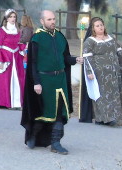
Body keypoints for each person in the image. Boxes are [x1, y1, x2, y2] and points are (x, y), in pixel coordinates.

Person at [21, 10, 83, 153]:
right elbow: (33, 63)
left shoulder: (60, 37)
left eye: (54, 19)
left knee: (60, 112)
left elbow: (65, 58)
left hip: (60, 80)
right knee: (43, 112)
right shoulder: (36, 39)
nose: (53, 21)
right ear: (42, 21)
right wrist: (36, 82)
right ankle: (33, 135)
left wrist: (75, 60)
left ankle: (56, 143)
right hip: (44, 80)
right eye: (49, 19)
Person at [80, 17, 122, 126]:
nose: (100, 27)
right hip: (99, 73)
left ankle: (113, 116)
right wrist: (89, 71)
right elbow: (87, 58)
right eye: (97, 26)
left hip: (114, 72)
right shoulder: (90, 41)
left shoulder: (111, 38)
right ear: (93, 28)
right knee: (102, 96)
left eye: (101, 25)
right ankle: (104, 118)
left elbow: (120, 52)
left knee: (114, 95)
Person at [0, 9, 27, 109]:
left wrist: (24, 48)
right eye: (10, 17)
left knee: (19, 78)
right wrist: (0, 61)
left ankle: (17, 103)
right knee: (5, 79)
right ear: (6, 18)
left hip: (17, 57)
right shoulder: (2, 30)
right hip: (6, 57)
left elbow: (20, 43)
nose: (13, 19)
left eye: (14, 17)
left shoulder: (18, 30)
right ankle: (3, 102)